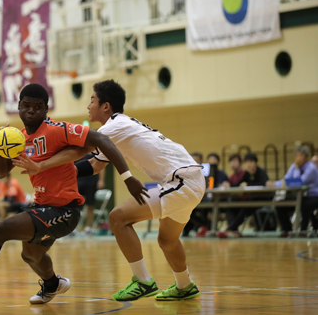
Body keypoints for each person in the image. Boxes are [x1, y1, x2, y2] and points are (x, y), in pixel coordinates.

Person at [0, 83, 147, 307]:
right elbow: (0, 173)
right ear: (18, 107)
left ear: (46, 110)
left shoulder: (57, 130)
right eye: (26, 105)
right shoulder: (18, 139)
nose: (31, 110)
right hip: (41, 208)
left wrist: (128, 177)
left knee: (2, 229)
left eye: (37, 106)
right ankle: (53, 284)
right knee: (31, 255)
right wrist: (1, 146)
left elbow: (103, 140)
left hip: (65, 211)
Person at [14, 80, 205, 302]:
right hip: (188, 180)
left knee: (118, 218)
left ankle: (142, 280)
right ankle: (185, 286)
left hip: (182, 181)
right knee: (167, 240)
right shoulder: (118, 129)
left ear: (105, 106)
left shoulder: (113, 126)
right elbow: (93, 165)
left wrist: (45, 165)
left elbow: (79, 151)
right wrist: (60, 174)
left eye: (92, 100)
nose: (88, 106)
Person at [217, 153, 269, 238]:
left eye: (251, 162)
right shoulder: (247, 174)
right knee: (231, 207)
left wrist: (248, 184)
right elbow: (238, 184)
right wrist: (228, 185)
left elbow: (264, 184)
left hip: (260, 200)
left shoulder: (261, 172)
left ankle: (229, 230)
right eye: (247, 162)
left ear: (256, 163)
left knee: (245, 207)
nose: (249, 164)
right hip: (250, 201)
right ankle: (234, 231)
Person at [274, 146, 318, 237]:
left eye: (301, 155)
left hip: (313, 196)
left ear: (307, 157)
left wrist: (297, 169)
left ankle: (303, 230)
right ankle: (287, 230)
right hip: (300, 196)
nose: (298, 158)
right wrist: (274, 184)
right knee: (280, 204)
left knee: (303, 204)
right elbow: (286, 180)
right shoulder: (293, 166)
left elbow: (299, 182)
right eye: (297, 155)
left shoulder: (311, 168)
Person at [76, 153, 105, 233]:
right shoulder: (77, 150)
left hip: (91, 181)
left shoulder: (95, 151)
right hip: (79, 181)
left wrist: (101, 180)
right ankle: (74, 227)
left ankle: (88, 228)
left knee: (90, 205)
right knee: (76, 206)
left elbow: (102, 166)